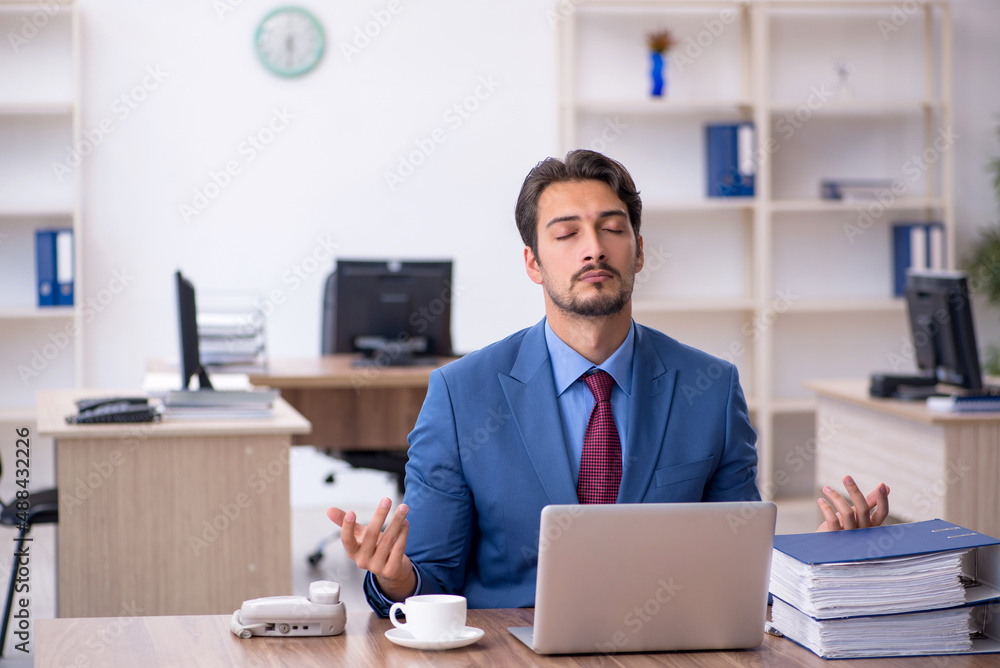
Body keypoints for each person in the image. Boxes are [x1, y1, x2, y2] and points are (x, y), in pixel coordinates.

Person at [327, 150, 890, 616]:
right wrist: (397, 577)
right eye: (567, 234)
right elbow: (430, 582)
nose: (593, 247)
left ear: (638, 251)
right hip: (513, 651)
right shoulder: (460, 395)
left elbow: (737, 566)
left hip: (666, 647)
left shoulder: (710, 389)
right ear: (533, 263)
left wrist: (816, 560)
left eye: (612, 229)